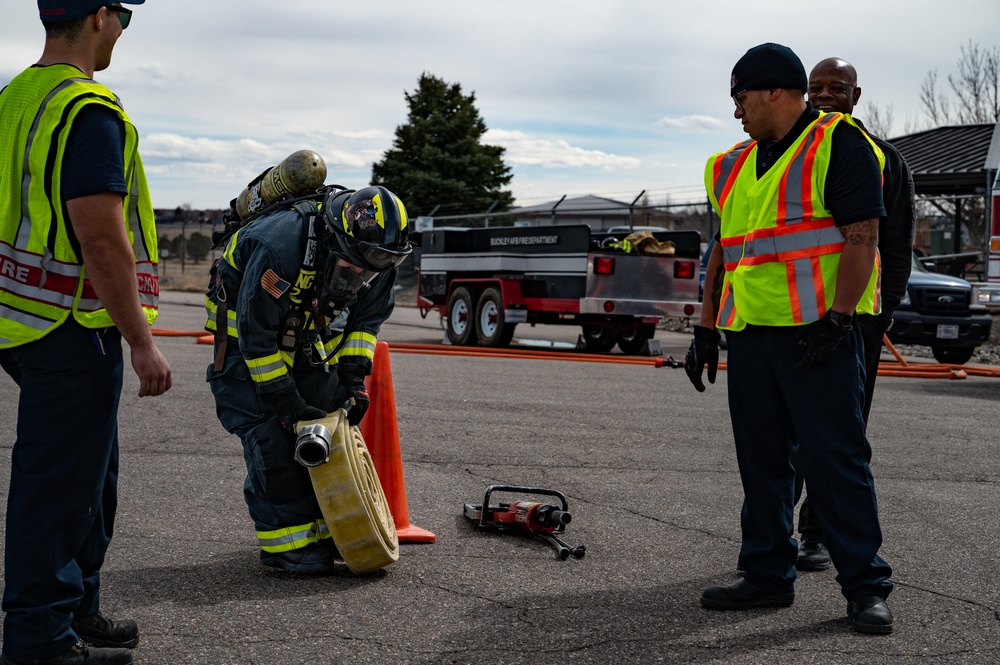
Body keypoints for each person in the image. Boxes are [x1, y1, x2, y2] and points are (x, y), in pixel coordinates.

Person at [684, 43, 894, 634]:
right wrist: (704, 329)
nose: (735, 112)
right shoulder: (728, 165)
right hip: (751, 335)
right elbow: (724, 251)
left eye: (740, 98)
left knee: (836, 462)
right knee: (763, 463)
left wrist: (840, 319)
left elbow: (862, 239)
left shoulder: (840, 145)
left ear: (774, 91)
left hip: (817, 334)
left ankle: (866, 587)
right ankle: (767, 576)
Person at [0, 1, 172, 664]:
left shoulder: (16, 98)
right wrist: (141, 341)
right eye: (125, 16)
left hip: (26, 322)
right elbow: (101, 239)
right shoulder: (87, 111)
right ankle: (39, 638)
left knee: (89, 478)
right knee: (59, 484)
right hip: (74, 327)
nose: (125, 32)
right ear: (101, 17)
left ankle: (76, 608)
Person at [205, 184, 411, 576]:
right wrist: (284, 400)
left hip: (301, 338)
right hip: (242, 343)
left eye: (380, 262)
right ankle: (287, 547)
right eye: (357, 263)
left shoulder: (381, 263)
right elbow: (255, 332)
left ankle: (328, 530)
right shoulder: (280, 246)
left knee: (326, 429)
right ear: (336, 239)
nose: (365, 273)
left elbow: (365, 326)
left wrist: (352, 380)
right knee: (271, 439)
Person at [793, 57, 916, 572]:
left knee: (838, 436)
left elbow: (897, 242)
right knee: (780, 437)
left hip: (853, 324)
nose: (824, 95)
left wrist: (879, 316)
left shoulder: (881, 158)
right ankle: (770, 538)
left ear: (856, 96)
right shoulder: (778, 157)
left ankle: (816, 534)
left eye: (836, 88)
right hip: (787, 316)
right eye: (815, 87)